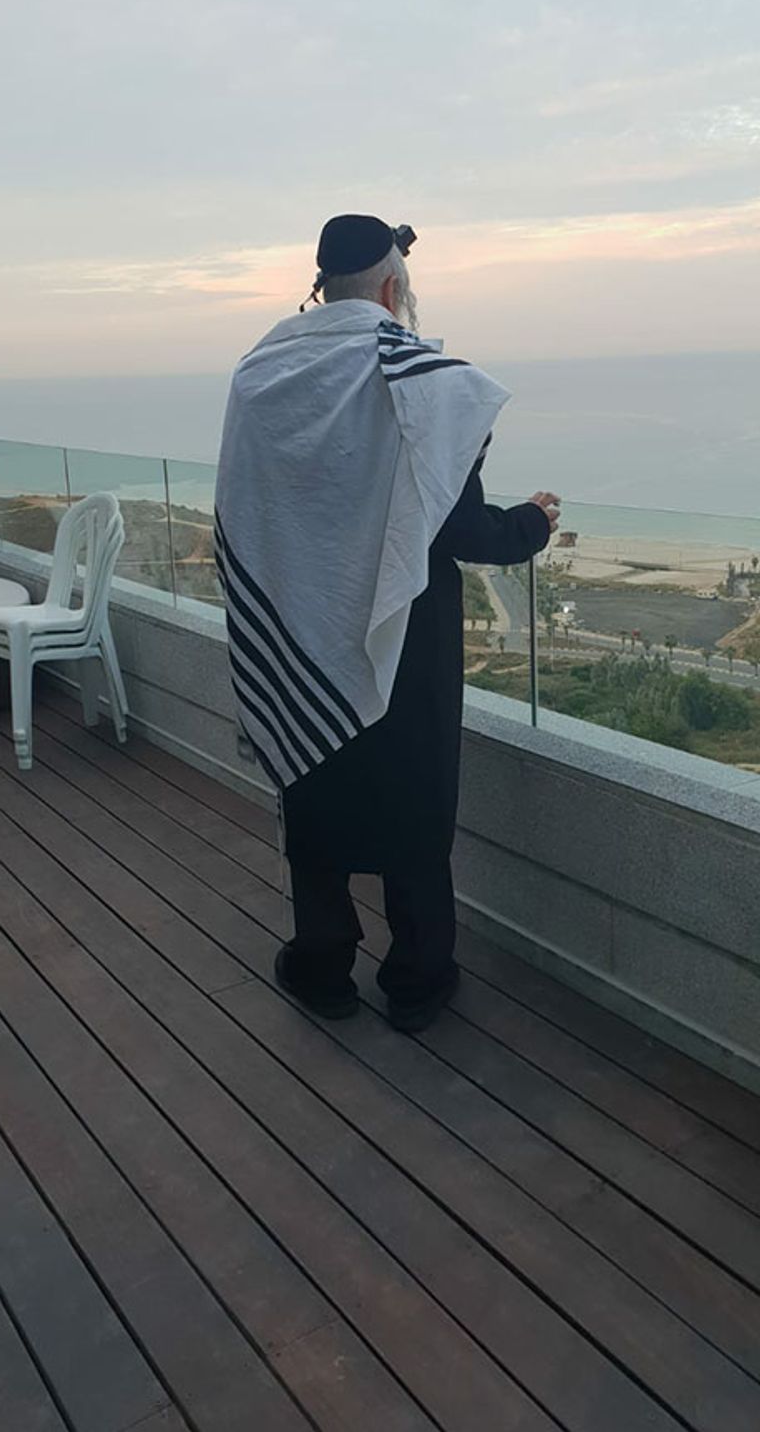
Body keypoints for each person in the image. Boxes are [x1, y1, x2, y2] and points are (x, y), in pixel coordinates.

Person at [215, 214, 558, 1032]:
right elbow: (461, 529)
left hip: (301, 623)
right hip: (407, 635)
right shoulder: (427, 382)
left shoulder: (261, 375)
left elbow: (246, 510)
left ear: (322, 287)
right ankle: (417, 981)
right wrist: (532, 524)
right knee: (414, 803)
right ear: (393, 287)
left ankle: (323, 967)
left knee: (314, 786)